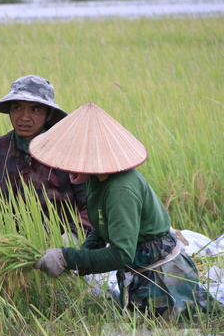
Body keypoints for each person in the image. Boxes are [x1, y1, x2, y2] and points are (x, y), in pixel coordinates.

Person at [31, 102, 216, 319]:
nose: (69, 164)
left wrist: (68, 258)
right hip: (136, 265)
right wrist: (84, 254)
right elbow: (103, 227)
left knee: (169, 332)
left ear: (94, 155)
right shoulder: (95, 177)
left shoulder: (120, 189)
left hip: (157, 270)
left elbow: (121, 253)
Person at [0, 75, 92, 240]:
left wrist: (72, 238)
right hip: (3, 250)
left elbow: (92, 205)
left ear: (49, 114)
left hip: (61, 252)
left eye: (34, 110)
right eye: (17, 108)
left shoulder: (69, 154)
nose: (24, 117)